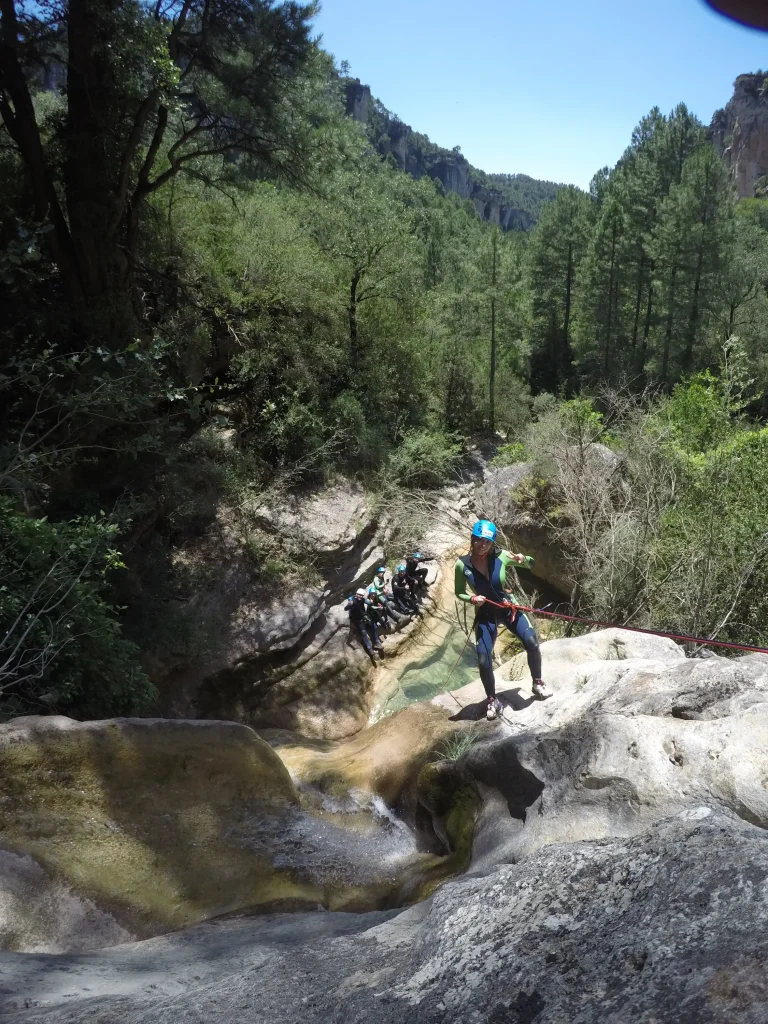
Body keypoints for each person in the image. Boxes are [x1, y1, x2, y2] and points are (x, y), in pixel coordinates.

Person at [454, 519, 552, 720]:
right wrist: (472, 598)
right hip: (486, 614)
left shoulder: (501, 556)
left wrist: (523, 558)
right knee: (483, 659)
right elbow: (459, 592)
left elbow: (531, 564)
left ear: (492, 543)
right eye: (479, 540)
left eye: (487, 542)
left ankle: (537, 682)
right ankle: (492, 700)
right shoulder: (462, 564)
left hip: (508, 609)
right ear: (472, 539)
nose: (483, 545)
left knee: (532, 643)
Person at [346, 588, 384, 664]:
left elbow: (369, 603)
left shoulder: (363, 600)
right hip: (357, 619)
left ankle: (377, 643)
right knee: (363, 632)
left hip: (363, 617)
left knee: (374, 626)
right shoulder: (352, 601)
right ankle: (369, 649)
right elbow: (346, 608)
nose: (360, 596)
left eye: (361, 595)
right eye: (359, 595)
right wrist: (349, 605)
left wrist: (374, 603)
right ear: (356, 594)